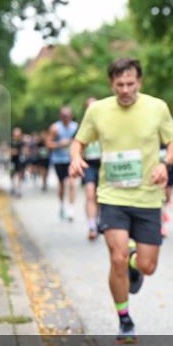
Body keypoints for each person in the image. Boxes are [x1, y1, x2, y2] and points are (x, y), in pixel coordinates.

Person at [70, 57, 173, 343]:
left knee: (148, 266)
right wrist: (75, 158)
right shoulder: (97, 110)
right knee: (116, 257)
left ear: (139, 82)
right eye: (119, 84)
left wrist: (165, 164)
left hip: (147, 196)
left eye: (130, 83)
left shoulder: (157, 108)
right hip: (112, 195)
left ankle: (135, 264)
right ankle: (125, 320)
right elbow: (79, 140)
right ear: (111, 84)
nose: (125, 90)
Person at [48, 106, 78, 221]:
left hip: (71, 159)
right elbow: (49, 144)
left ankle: (71, 210)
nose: (67, 118)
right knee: (62, 185)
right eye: (64, 116)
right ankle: (61, 205)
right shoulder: (55, 128)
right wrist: (60, 144)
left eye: (68, 116)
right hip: (58, 160)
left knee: (71, 183)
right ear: (60, 116)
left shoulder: (76, 127)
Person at [81, 98, 102, 240]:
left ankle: (98, 219)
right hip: (89, 165)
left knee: (100, 197)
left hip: (105, 166)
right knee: (90, 194)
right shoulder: (82, 126)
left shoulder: (108, 123)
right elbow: (76, 145)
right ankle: (92, 226)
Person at [9, 127, 25, 197]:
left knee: (20, 174)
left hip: (19, 160)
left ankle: (19, 189)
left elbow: (24, 150)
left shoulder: (21, 142)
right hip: (12, 160)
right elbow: (8, 150)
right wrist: (12, 152)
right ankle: (13, 185)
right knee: (12, 174)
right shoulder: (11, 141)